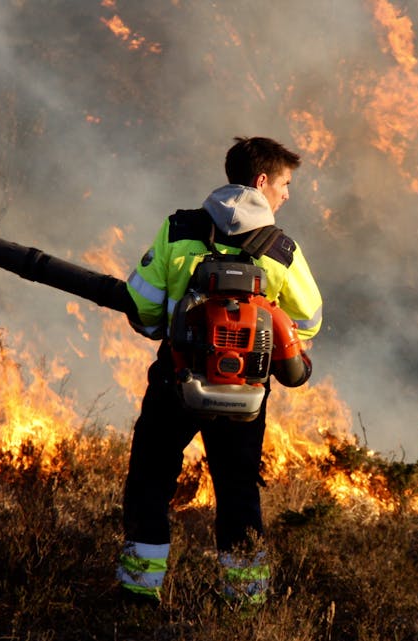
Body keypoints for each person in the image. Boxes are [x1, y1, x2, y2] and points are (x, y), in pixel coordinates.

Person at [115, 136, 323, 605]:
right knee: (238, 491)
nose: (287, 194)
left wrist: (167, 326)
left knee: (151, 481)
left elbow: (143, 307)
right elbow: (309, 320)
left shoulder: (178, 229)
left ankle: (138, 596)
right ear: (262, 181)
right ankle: (244, 602)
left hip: (175, 381)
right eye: (286, 184)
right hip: (244, 394)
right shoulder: (281, 249)